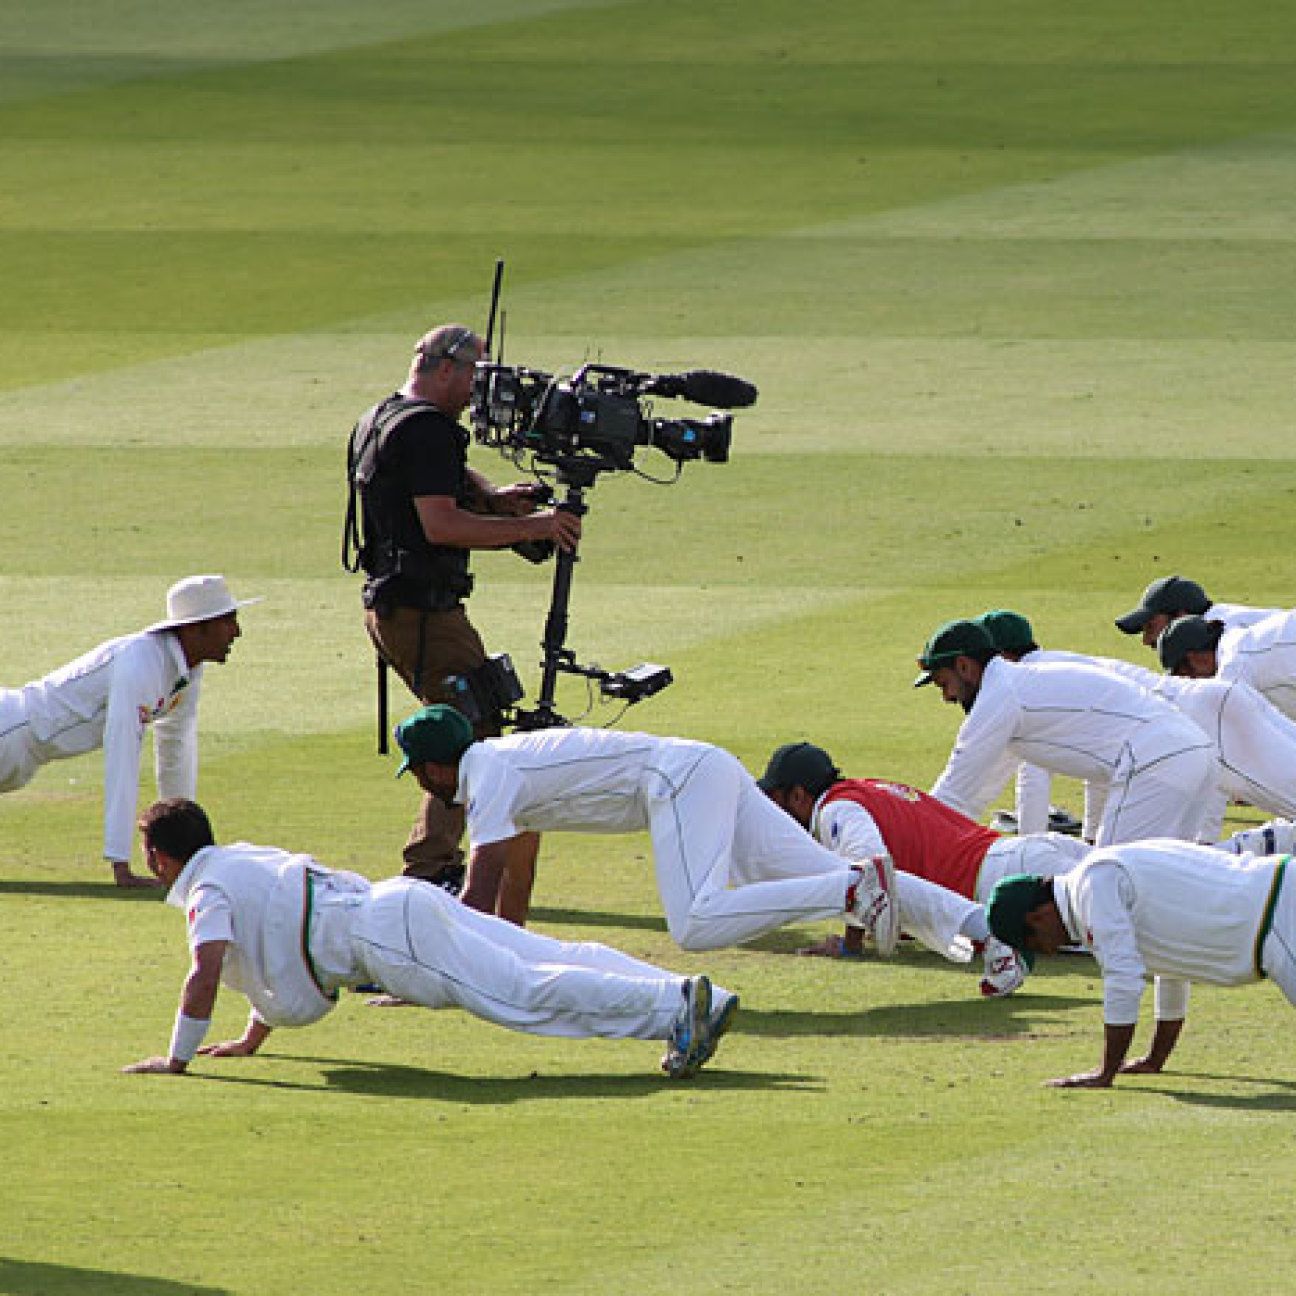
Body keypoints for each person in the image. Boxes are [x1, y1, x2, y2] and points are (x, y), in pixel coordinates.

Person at [121, 798, 736, 1081]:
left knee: (522, 992)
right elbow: (276, 936)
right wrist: (253, 1038)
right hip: (401, 900)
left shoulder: (207, 894)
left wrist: (177, 1057)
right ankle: (684, 990)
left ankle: (677, 1012)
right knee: (547, 954)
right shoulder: (242, 859)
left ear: (159, 858)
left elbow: (206, 971)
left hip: (388, 940)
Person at [390, 704, 932, 957]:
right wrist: (512, 955)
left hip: (679, 780)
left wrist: (430, 968)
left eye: (415, 771)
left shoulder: (487, 776)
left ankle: (851, 889)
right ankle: (977, 925)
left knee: (695, 925)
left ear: (435, 766)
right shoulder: (499, 768)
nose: (419, 783)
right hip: (700, 766)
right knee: (821, 868)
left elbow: (478, 892)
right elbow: (515, 880)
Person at [344, 324, 582, 888]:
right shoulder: (429, 431)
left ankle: (440, 865)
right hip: (423, 613)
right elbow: (441, 524)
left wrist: (493, 498)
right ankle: (431, 872)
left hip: (393, 607)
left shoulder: (382, 416)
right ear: (445, 368)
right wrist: (537, 525)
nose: (481, 388)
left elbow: (431, 481)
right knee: (467, 737)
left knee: (465, 724)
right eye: (475, 373)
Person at [756, 740, 1090, 994]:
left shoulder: (837, 811)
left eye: (776, 801)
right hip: (1025, 853)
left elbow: (870, 870)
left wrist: (850, 945)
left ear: (799, 795)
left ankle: (999, 947)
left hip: (1002, 884)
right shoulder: (866, 789)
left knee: (1130, 936)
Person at [0, 574, 257, 888]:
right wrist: (120, 863)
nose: (237, 632)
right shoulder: (140, 662)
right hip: (9, 733)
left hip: (24, 754)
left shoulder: (188, 670)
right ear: (196, 627)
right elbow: (122, 753)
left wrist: (183, 850)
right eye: (228, 622)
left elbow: (176, 747)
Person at [986, 840, 1296, 1088]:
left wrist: (1105, 1073)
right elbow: (1171, 969)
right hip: (1274, 911)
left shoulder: (1096, 883)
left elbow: (1123, 978)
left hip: (1278, 913)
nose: (1048, 953)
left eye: (1035, 943)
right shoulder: (1094, 885)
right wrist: (1156, 1058)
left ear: (1038, 916)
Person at [916, 618, 1217, 846]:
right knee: (1172, 878)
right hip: (1196, 752)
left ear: (965, 666)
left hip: (1155, 760)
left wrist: (905, 845)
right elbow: (976, 794)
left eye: (944, 684)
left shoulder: (1000, 696)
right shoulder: (1016, 686)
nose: (947, 697)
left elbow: (954, 793)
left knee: (1110, 880)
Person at [1158, 609, 1296, 723]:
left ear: (1194, 659)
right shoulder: (1237, 639)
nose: (1192, 682)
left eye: (1184, 675)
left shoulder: (1232, 669)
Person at [1114, 574, 1277, 650]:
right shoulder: (1211, 630)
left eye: (1150, 626)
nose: (1146, 640)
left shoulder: (1227, 638)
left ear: (1181, 617)